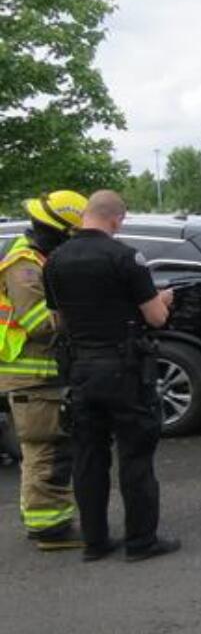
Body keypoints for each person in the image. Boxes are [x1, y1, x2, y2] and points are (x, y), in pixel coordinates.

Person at [43, 190, 181, 562]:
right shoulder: (125, 257)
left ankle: (95, 541)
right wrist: (163, 299)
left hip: (81, 371)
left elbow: (58, 321)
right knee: (135, 456)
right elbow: (155, 318)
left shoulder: (54, 260)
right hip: (124, 371)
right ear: (116, 220)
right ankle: (140, 542)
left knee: (89, 457)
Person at [0, 190, 87, 550]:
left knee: (47, 448)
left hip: (37, 374)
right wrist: (83, 310)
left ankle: (45, 520)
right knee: (45, 450)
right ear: (57, 231)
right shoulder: (24, 265)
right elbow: (38, 323)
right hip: (31, 375)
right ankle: (49, 530)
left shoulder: (32, 257)